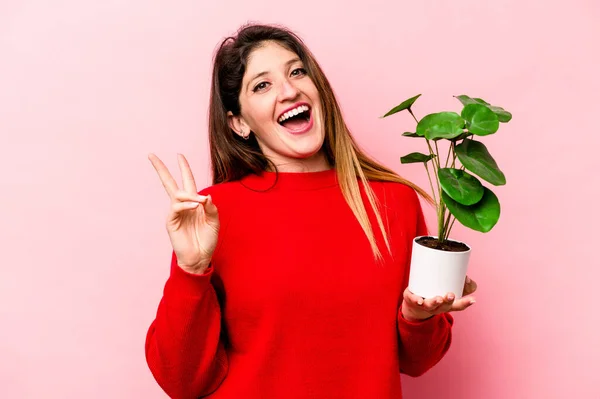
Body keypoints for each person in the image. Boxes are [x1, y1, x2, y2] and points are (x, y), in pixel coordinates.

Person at [145, 23, 477, 399]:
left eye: (296, 71)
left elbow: (416, 362)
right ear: (238, 122)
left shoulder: (394, 202)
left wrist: (420, 318)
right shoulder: (211, 214)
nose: (289, 90)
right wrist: (190, 272)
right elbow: (181, 382)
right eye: (262, 85)